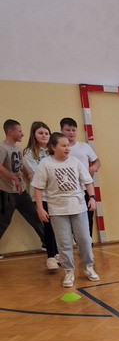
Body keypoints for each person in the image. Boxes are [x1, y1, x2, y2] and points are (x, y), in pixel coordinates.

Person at [32, 132, 99, 288]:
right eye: (63, 145)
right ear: (53, 147)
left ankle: (88, 266)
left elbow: (88, 181)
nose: (67, 148)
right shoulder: (46, 164)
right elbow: (38, 188)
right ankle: (69, 271)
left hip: (79, 207)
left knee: (84, 239)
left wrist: (92, 198)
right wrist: (40, 209)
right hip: (57, 210)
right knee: (64, 242)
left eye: (68, 145)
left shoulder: (75, 162)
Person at [0, 119, 45, 252]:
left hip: (21, 192)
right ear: (10, 132)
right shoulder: (2, 148)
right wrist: (11, 176)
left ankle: (46, 243)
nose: (22, 134)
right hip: (7, 193)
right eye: (19, 131)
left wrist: (29, 175)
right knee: (3, 222)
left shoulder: (17, 148)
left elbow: (22, 165)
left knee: (35, 217)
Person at [23, 121, 59, 269]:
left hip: (55, 194)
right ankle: (51, 256)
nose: (44, 136)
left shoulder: (53, 150)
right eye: (40, 133)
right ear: (34, 135)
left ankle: (58, 253)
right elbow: (37, 173)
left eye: (46, 133)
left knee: (58, 225)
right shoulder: (29, 152)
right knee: (48, 225)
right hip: (41, 195)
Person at [60, 117, 101, 237]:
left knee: (88, 217)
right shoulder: (59, 149)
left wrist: (93, 168)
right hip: (68, 189)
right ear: (61, 130)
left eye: (73, 130)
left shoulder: (84, 146)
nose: (71, 133)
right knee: (70, 218)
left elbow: (97, 161)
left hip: (85, 187)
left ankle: (87, 243)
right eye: (68, 130)